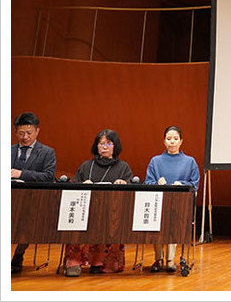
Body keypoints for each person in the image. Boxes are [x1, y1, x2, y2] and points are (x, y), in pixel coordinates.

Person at [63, 129, 133, 277]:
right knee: (76, 223)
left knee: (109, 223)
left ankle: (100, 263)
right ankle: (74, 263)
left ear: (115, 146)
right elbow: (73, 185)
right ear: (96, 146)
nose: (105, 147)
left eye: (109, 143)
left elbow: (131, 189)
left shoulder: (123, 167)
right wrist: (83, 184)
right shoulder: (87, 165)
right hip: (85, 210)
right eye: (101, 143)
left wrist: (123, 183)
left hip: (111, 211)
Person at [145, 125, 199, 273]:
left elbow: (194, 185)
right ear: (164, 141)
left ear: (181, 141)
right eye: (169, 139)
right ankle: (158, 258)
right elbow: (147, 183)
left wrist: (181, 184)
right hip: (159, 203)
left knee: (174, 220)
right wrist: (156, 183)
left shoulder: (190, 162)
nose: (172, 142)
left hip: (179, 205)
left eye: (175, 139)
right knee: (156, 221)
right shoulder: (155, 161)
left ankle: (170, 260)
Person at [11, 111, 57, 274]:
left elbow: (48, 176)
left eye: (29, 133)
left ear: (37, 131)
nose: (25, 137)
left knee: (28, 222)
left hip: (34, 199)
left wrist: (21, 174)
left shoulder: (47, 152)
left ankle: (18, 254)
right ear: (15, 132)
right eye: (21, 133)